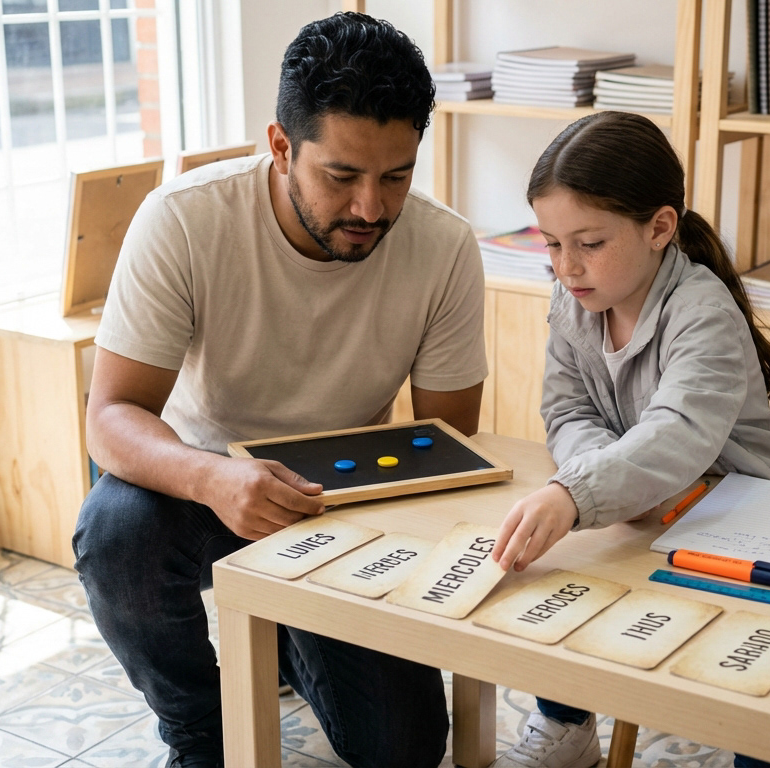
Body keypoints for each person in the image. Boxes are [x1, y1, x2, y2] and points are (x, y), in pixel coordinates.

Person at [72, 13, 487, 768]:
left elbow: (449, 451)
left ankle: (284, 634)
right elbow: (110, 416)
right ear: (281, 145)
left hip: (347, 498)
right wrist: (213, 477)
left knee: (405, 752)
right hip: (193, 482)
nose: (371, 208)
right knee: (115, 533)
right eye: (341, 176)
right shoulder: (184, 220)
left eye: (397, 176)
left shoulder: (446, 246)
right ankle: (200, 727)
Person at [487, 111, 770, 768]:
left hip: (750, 520)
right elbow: (565, 410)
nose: (566, 266)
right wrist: (594, 482)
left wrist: (579, 493)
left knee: (765, 688)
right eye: (551, 243)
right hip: (644, 508)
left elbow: (679, 434)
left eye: (589, 243)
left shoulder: (702, 309)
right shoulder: (572, 302)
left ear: (660, 227)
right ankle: (564, 726)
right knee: (561, 574)